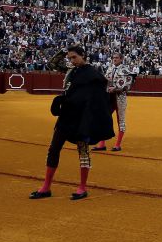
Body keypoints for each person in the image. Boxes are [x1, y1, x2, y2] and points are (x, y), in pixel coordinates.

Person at [31, 45, 114, 200]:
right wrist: (64, 50)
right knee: (54, 148)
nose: (71, 60)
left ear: (83, 56)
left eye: (74, 57)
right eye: (69, 58)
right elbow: (52, 64)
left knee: (83, 153)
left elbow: (98, 100)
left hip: (82, 118)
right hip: (67, 115)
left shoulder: (94, 75)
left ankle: (82, 188)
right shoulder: (71, 70)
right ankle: (46, 187)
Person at [92, 52, 135, 152]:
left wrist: (115, 89)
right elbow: (106, 80)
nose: (114, 59)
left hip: (120, 98)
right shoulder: (110, 68)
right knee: (103, 118)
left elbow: (127, 87)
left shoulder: (126, 70)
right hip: (109, 97)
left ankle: (117, 145)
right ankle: (102, 144)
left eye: (116, 58)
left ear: (121, 59)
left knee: (121, 121)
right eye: (113, 57)